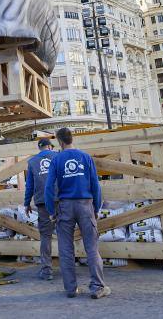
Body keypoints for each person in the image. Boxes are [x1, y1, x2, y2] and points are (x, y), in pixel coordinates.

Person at [45, 127, 110, 299]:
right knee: (91, 247)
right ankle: (97, 287)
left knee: (66, 249)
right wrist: (96, 208)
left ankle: (71, 289)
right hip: (85, 205)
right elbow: (95, 186)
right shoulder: (85, 157)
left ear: (59, 141)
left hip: (65, 207)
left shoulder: (57, 160)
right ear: (72, 138)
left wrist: (51, 211)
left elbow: (49, 188)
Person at [24, 138, 57, 280]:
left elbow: (29, 185)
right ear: (49, 147)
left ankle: (47, 271)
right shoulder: (58, 156)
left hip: (42, 201)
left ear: (40, 148)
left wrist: (27, 203)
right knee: (65, 234)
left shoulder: (32, 162)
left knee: (45, 236)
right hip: (60, 200)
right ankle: (69, 270)